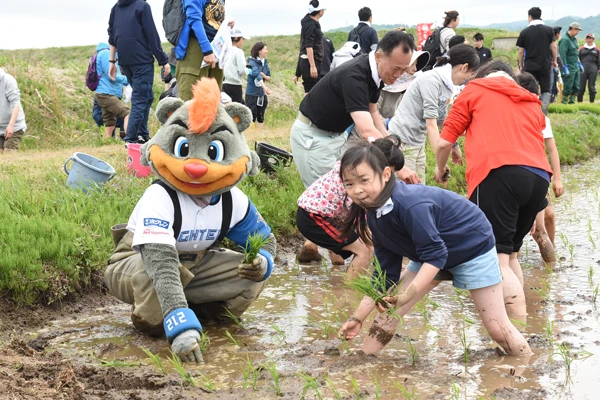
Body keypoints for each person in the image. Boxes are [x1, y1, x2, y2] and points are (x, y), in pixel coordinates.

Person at [105, 78, 276, 364]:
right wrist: (179, 325)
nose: (196, 167)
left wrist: (263, 262)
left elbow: (266, 241)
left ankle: (205, 314)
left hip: (195, 264)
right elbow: (160, 262)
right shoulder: (159, 197)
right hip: (134, 263)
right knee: (157, 286)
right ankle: (162, 319)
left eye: (212, 153)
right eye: (185, 150)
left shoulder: (234, 201)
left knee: (251, 271)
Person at [337, 143, 532, 357]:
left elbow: (436, 256)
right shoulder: (376, 214)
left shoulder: (411, 205)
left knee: (497, 328)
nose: (357, 190)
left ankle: (525, 364)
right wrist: (357, 319)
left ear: (385, 174)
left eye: (364, 180)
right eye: (349, 184)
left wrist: (406, 295)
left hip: (470, 247)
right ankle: (363, 359)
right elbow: (384, 276)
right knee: (389, 313)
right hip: (431, 250)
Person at [435, 60, 553, 318]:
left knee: (497, 258)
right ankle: (521, 324)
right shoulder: (531, 101)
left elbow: (444, 142)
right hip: (538, 177)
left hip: (497, 173)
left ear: (483, 77)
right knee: (511, 255)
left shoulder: (473, 91)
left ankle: (515, 331)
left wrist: (438, 169)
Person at [290, 30, 415, 189]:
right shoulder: (355, 76)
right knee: (327, 198)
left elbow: (373, 112)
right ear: (378, 57)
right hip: (314, 138)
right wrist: (400, 167)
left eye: (403, 70)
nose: (398, 75)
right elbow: (367, 132)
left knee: (347, 192)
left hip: (337, 137)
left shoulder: (377, 73)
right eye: (396, 68)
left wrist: (388, 139)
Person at [296, 135, 403, 269]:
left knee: (353, 250)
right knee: (364, 251)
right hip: (314, 217)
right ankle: (349, 290)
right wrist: (386, 258)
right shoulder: (359, 182)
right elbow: (363, 226)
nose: (387, 180)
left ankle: (311, 249)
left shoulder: (351, 166)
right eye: (388, 173)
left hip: (319, 212)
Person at [388, 44, 479, 183]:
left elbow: (442, 120)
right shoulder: (432, 80)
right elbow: (431, 124)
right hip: (403, 141)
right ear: (464, 67)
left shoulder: (447, 84)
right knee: (407, 190)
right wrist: (440, 163)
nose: (467, 80)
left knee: (419, 188)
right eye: (470, 74)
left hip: (417, 141)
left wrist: (454, 146)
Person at [516, 72, 564, 263]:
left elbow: (552, 150)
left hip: (537, 173)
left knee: (546, 219)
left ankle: (551, 269)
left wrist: (557, 179)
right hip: (517, 175)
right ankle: (514, 262)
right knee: (516, 225)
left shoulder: (540, 117)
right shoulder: (508, 116)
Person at [108, 0, 170, 144]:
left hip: (125, 61)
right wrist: (163, 60)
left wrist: (112, 62)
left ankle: (142, 134)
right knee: (140, 99)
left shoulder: (116, 8)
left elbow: (112, 38)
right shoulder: (142, 6)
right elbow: (152, 35)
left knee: (147, 96)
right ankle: (131, 139)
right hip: (141, 60)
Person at [175, 0, 235, 100]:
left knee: (213, 103)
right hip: (196, 48)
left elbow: (211, 19)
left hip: (216, 50)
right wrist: (207, 50)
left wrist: (225, 23)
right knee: (190, 103)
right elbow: (194, 18)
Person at [516, 7, 557, 114]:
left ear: (530, 17)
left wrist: (521, 65)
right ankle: (543, 113)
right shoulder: (548, 30)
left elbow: (521, 51)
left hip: (530, 66)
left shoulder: (524, 32)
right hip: (545, 65)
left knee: (529, 89)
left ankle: (529, 112)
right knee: (546, 89)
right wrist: (555, 61)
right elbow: (554, 46)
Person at [94, 42, 130, 139]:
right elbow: (112, 76)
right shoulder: (106, 54)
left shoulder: (106, 54)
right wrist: (131, 81)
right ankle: (130, 140)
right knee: (127, 113)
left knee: (110, 120)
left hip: (108, 92)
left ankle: (108, 141)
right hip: (106, 94)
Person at [298, 1, 326, 94]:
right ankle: (305, 109)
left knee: (314, 91)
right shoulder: (310, 24)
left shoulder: (312, 22)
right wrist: (312, 66)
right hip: (309, 61)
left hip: (313, 60)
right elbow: (308, 46)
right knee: (310, 92)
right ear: (320, 11)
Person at [245, 42, 272, 129]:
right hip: (252, 93)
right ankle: (250, 135)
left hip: (262, 93)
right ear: (259, 51)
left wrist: (265, 76)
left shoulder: (265, 62)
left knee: (261, 115)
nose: (267, 51)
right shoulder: (251, 62)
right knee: (251, 115)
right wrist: (264, 86)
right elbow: (256, 74)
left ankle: (259, 134)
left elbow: (268, 76)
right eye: (265, 49)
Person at [0, 68, 26, 153]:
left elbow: (16, 104)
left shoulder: (8, 80)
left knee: (8, 153)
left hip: (14, 126)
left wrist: (11, 125)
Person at [223, 28, 251, 104]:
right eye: (242, 39)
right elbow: (242, 70)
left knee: (226, 106)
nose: (243, 42)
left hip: (223, 84)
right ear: (236, 38)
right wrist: (248, 71)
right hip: (235, 85)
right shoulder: (238, 52)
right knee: (236, 109)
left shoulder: (224, 50)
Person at [558, 22, 583, 104]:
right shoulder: (565, 40)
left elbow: (576, 53)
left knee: (576, 86)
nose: (578, 32)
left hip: (575, 66)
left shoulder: (574, 40)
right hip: (568, 67)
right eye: (577, 30)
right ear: (573, 29)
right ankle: (564, 102)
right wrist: (564, 68)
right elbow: (562, 54)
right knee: (568, 86)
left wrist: (579, 63)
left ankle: (572, 102)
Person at [578, 33, 600, 103]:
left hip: (593, 68)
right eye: (588, 38)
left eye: (591, 38)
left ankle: (592, 103)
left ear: (593, 39)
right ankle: (579, 103)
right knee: (581, 87)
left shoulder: (597, 49)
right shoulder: (581, 49)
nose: (589, 39)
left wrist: (598, 69)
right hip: (582, 68)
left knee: (591, 87)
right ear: (586, 39)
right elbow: (577, 58)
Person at [550, 26, 565, 103]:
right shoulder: (554, 45)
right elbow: (558, 58)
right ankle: (551, 100)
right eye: (559, 34)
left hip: (549, 67)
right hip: (552, 67)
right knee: (552, 85)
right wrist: (563, 67)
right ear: (556, 34)